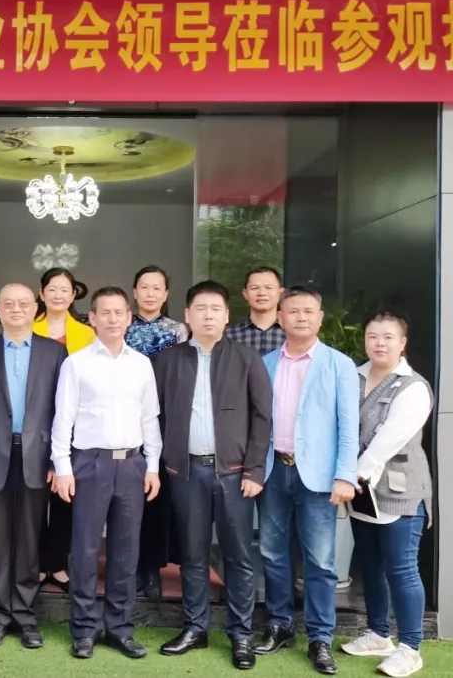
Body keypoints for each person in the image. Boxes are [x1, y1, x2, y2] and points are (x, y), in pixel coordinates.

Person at [155, 281, 273, 670]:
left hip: (235, 475)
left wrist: (255, 469)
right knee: (192, 555)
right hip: (186, 471)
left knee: (238, 556)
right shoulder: (169, 360)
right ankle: (196, 628)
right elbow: (155, 415)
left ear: (226, 316)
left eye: (215, 309)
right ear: (187, 315)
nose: (208, 315)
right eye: (200, 308)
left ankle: (241, 634)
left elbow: (262, 418)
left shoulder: (246, 358)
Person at [51, 286, 161, 660]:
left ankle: (120, 628)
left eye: (119, 312)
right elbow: (63, 419)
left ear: (129, 318)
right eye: (105, 313)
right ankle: (84, 629)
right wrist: (62, 467)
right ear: (93, 318)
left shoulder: (141, 364)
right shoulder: (76, 363)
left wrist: (152, 465)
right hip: (89, 464)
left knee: (125, 552)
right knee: (84, 549)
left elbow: (150, 419)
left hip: (132, 465)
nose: (113, 319)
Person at [256, 286, 360, 675]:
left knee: (320, 560)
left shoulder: (339, 365)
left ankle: (320, 637)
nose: (300, 317)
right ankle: (280, 625)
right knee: (272, 552)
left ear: (319, 318)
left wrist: (344, 475)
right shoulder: (265, 363)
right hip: (273, 471)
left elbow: (349, 427)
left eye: (308, 311)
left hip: (318, 477)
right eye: (293, 311)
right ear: (280, 317)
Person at [0, 282, 67, 649]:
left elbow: (62, 412)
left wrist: (58, 461)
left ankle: (24, 615)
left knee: (29, 540)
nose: (16, 309)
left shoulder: (55, 352)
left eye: (23, 303)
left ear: (35, 308)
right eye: (9, 304)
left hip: (37, 457)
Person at [340, 312, 433, 678]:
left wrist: (350, 476)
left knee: (402, 568)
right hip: (361, 492)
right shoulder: (353, 377)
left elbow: (386, 442)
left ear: (402, 343)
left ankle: (411, 648)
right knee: (371, 565)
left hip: (398, 489)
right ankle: (379, 634)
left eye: (388, 337)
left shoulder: (413, 388)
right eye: (373, 336)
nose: (379, 343)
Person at [124, 265, 188, 599]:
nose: (150, 293)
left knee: (158, 498)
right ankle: (131, 565)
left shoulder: (179, 331)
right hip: (125, 419)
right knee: (129, 498)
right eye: (144, 287)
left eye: (157, 288)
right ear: (135, 292)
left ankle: (152, 567)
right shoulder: (122, 326)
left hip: (166, 419)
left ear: (165, 294)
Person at [32, 267, 94, 593]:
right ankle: (36, 563)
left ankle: (57, 564)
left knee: (64, 497)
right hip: (33, 424)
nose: (58, 295)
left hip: (74, 425)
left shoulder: (86, 334)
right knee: (33, 497)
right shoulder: (28, 327)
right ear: (42, 293)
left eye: (64, 289)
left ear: (73, 295)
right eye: (52, 289)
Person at [226, 267, 286, 355]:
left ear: (281, 293)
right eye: (254, 288)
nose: (262, 293)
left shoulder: (292, 333)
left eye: (269, 287)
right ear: (245, 294)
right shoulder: (229, 335)